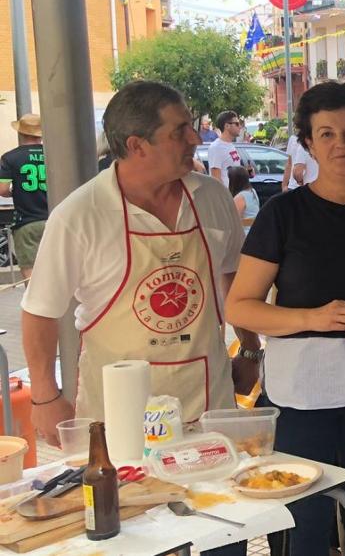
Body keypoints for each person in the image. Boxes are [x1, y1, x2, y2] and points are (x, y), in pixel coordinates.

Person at [20, 81, 258, 556]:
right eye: (180, 130)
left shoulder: (210, 198)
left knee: (223, 536)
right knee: (137, 542)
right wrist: (46, 397)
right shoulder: (82, 213)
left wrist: (249, 347)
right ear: (136, 145)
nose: (195, 137)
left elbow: (232, 282)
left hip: (207, 410)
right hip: (120, 427)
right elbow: (41, 312)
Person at [225, 82, 345, 556]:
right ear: (307, 144)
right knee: (301, 508)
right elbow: (240, 305)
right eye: (325, 134)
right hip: (300, 392)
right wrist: (313, 315)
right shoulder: (283, 214)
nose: (341, 144)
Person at [0, 114, 49, 279]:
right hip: (55, 219)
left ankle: (34, 304)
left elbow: (2, 189)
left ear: (20, 133)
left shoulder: (10, 158)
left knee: (30, 272)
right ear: (40, 134)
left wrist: (17, 191)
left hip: (26, 221)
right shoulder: (54, 154)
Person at [207, 110, 245, 184]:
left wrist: (247, 173)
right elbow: (216, 180)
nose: (240, 127)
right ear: (227, 126)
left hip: (234, 193)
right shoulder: (216, 147)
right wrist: (226, 195)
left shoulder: (231, 145)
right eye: (237, 124)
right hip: (226, 194)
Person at [227, 166, 259, 230]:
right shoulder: (252, 191)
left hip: (244, 234)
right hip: (254, 231)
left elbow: (232, 222)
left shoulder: (240, 197)